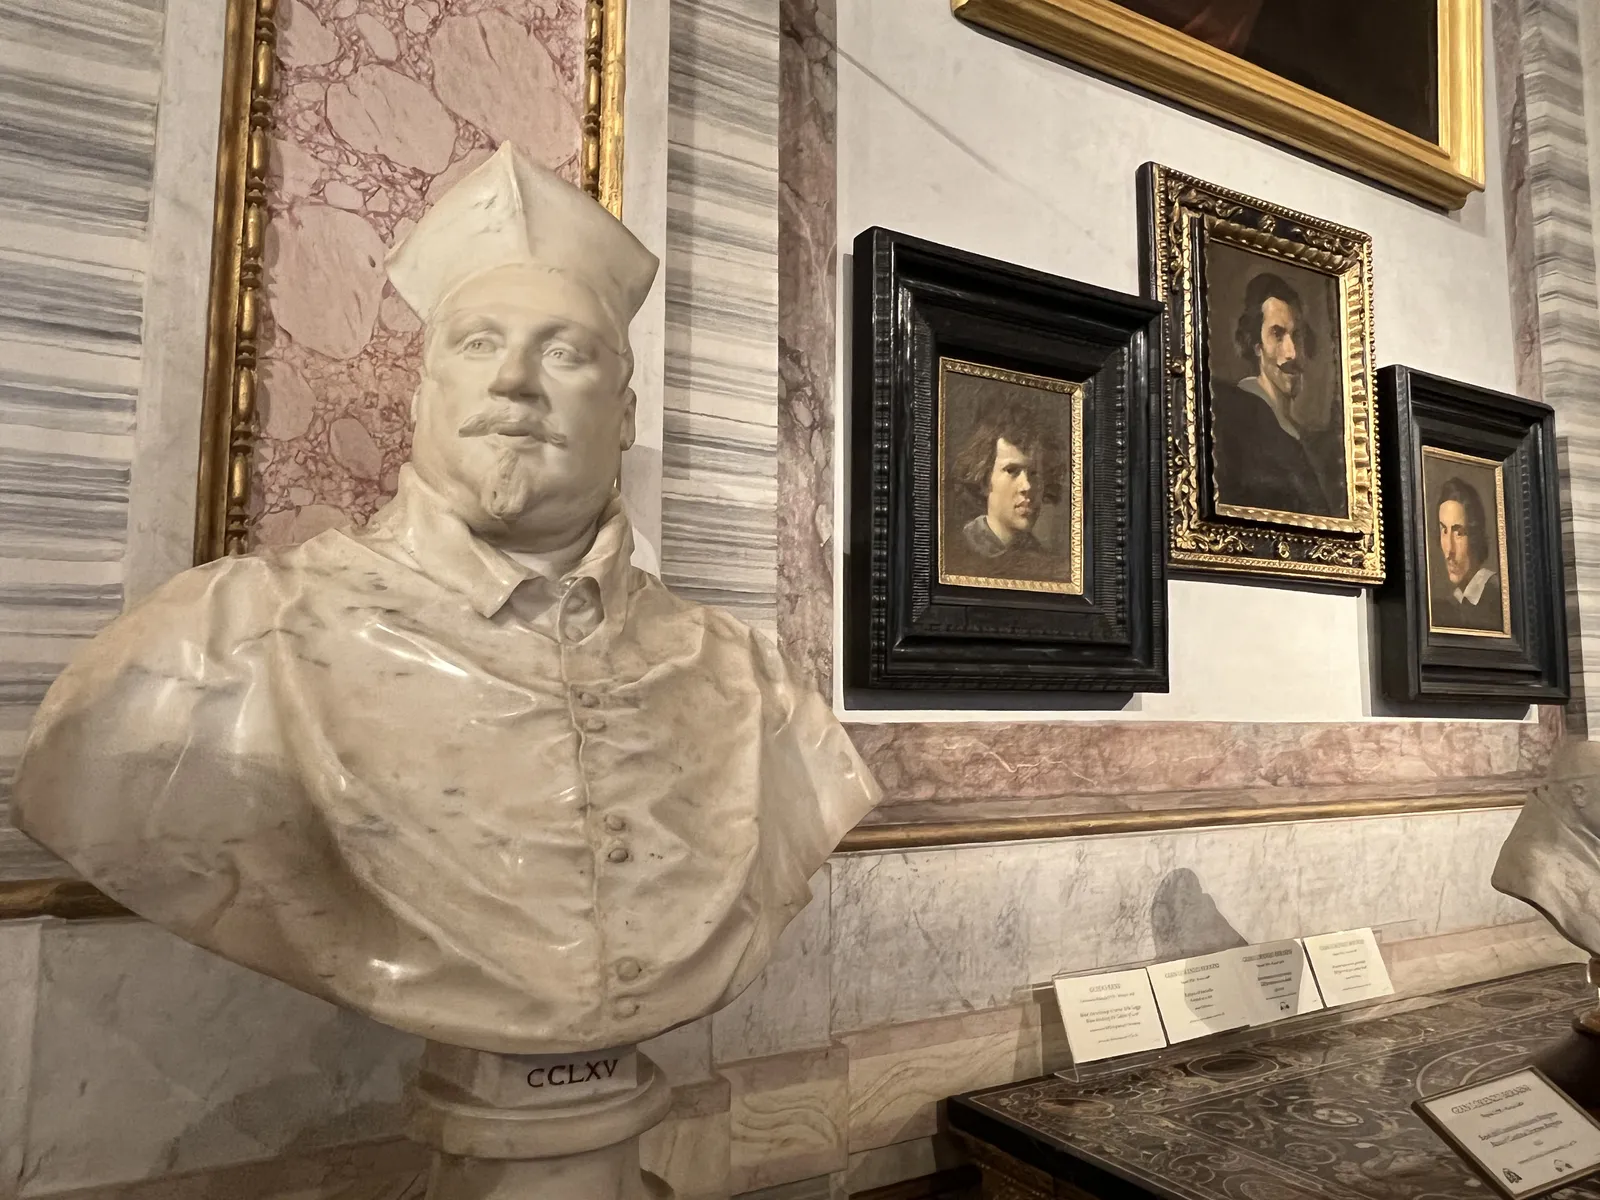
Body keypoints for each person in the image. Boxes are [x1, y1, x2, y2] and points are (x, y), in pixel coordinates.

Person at [12, 144, 879, 1056]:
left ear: (624, 416)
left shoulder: (748, 676)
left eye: (566, 353)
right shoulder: (221, 644)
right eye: (478, 345)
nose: (514, 381)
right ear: (422, 396)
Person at [1210, 272, 1347, 520]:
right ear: (1256, 344)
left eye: (1298, 336)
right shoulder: (1235, 419)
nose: (1292, 352)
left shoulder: (1304, 436)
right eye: (1277, 334)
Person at [944, 399, 1069, 584]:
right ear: (985, 479)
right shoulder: (956, 552)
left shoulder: (1049, 565)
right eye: (1012, 470)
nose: (1027, 486)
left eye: (1034, 473)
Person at [1432, 475, 1504, 632]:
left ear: (1475, 537)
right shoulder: (1453, 603)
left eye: (1459, 533)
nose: (1449, 551)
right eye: (1444, 530)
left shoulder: (1496, 597)